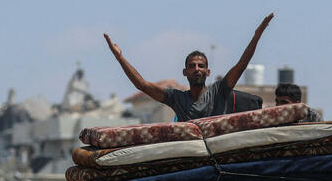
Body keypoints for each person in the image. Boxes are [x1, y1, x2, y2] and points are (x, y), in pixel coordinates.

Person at [104, 13, 274, 122]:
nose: (197, 69)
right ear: (185, 72)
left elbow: (242, 64)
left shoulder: (219, 91)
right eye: (192, 66)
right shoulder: (177, 98)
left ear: (208, 72)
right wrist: (120, 57)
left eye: (201, 66)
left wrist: (257, 35)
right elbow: (142, 85)